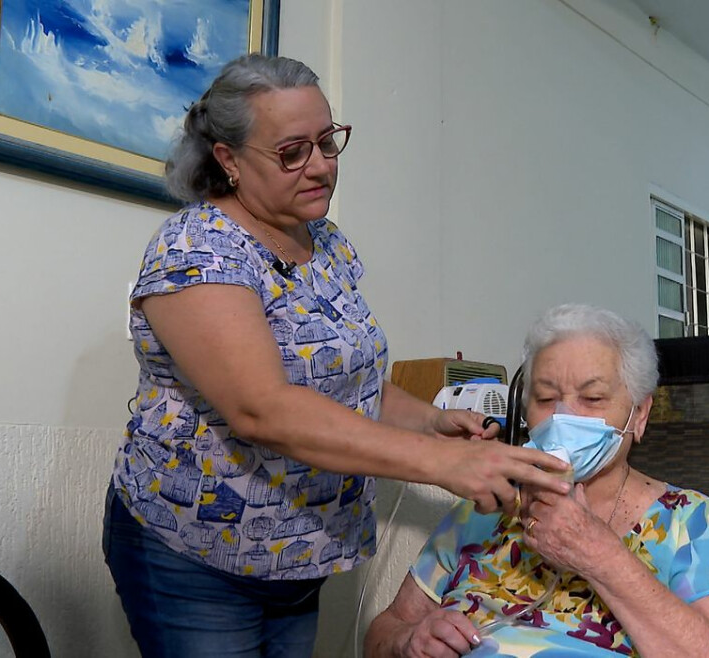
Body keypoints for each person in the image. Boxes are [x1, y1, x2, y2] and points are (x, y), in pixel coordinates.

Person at [102, 53, 569, 658]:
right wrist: (440, 463)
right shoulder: (198, 249)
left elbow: (352, 382)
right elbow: (263, 409)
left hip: (299, 558)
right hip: (197, 558)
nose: (321, 166)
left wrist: (429, 420)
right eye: (293, 151)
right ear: (229, 160)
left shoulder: (324, 243)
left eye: (328, 142)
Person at [365, 304, 709, 657]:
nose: (562, 416)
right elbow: (384, 632)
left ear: (639, 415)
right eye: (544, 397)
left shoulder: (689, 522)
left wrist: (601, 557)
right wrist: (408, 640)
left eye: (592, 399)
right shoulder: (485, 505)